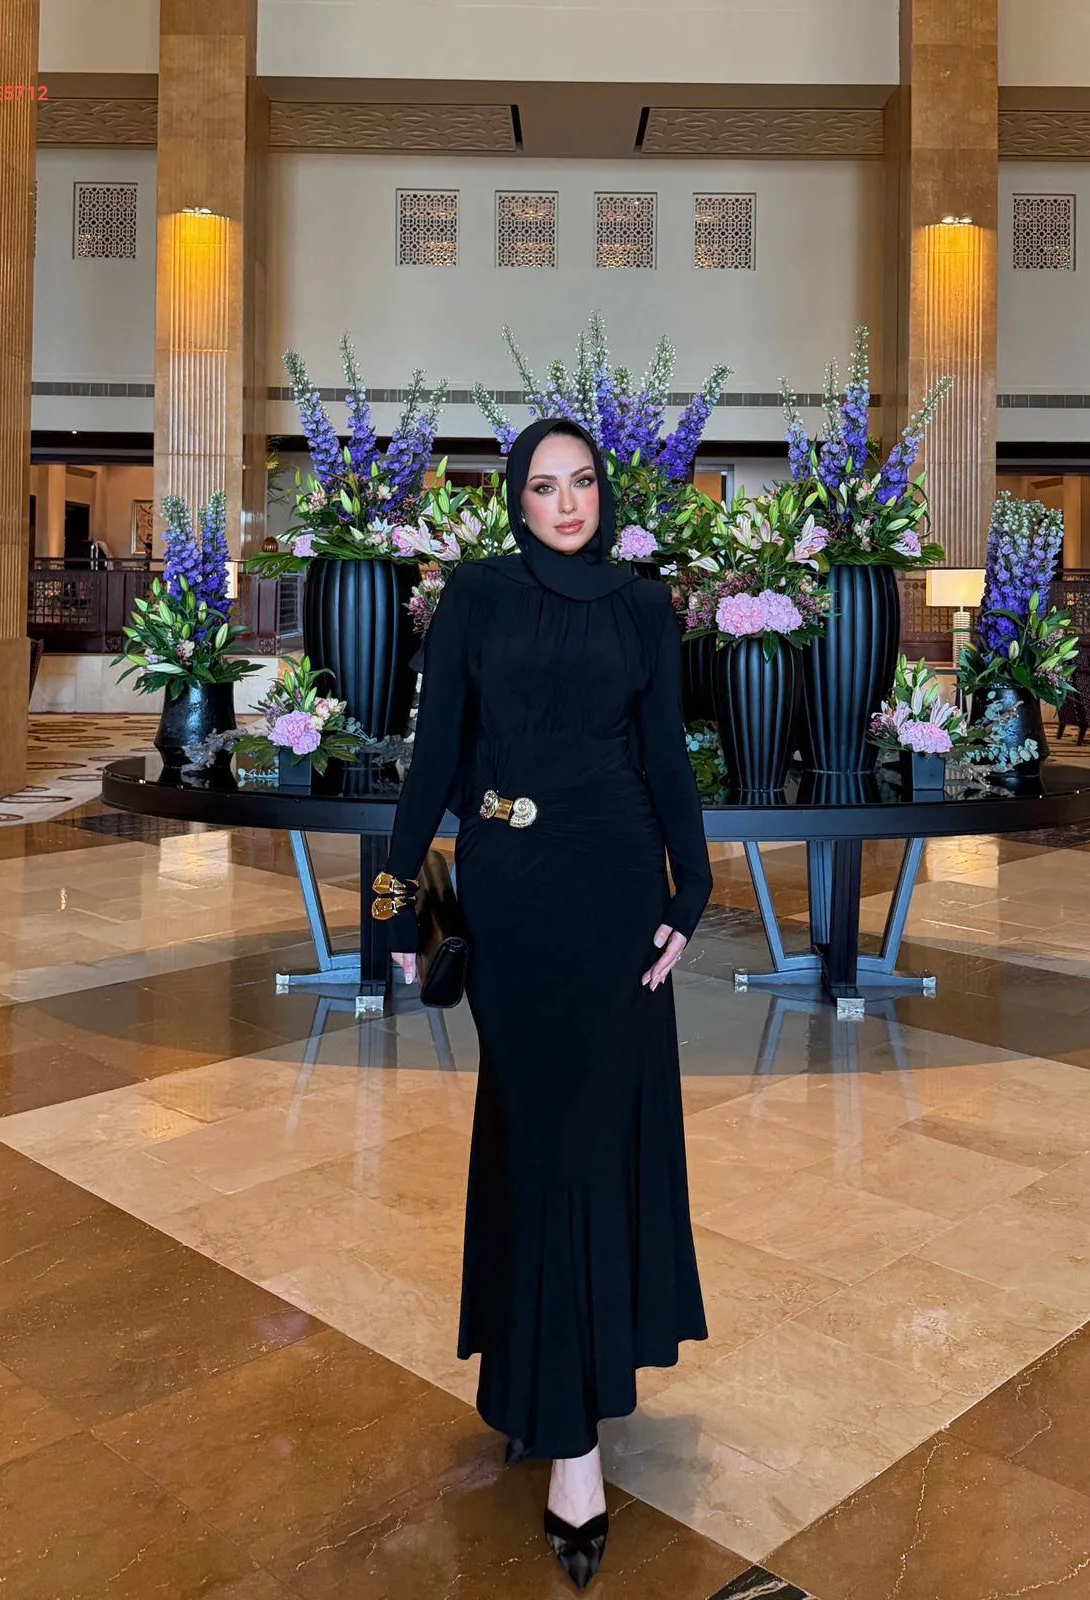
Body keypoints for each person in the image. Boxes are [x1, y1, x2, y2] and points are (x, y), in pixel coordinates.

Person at [379, 416, 712, 1590]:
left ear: (602, 493)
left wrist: (694, 886)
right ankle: (545, 1391)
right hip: (514, 897)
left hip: (617, 894)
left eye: (582, 483)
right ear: (516, 499)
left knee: (588, 1143)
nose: (567, 502)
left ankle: (572, 1441)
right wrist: (392, 905)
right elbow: (433, 759)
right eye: (544, 485)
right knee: (536, 1139)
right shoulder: (475, 595)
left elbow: (665, 755)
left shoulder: (643, 605)